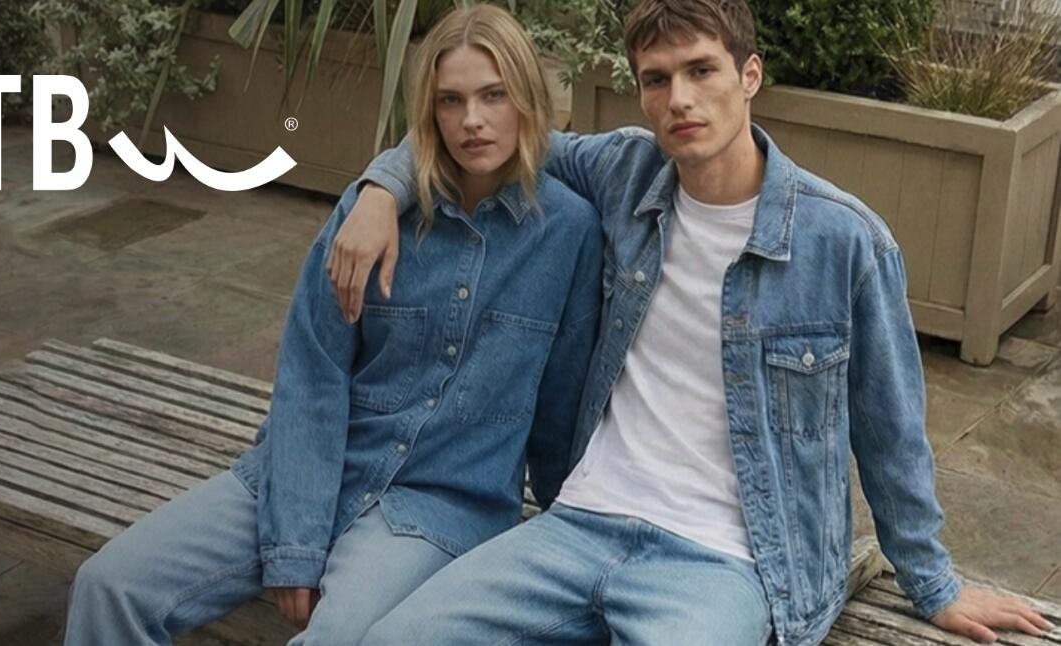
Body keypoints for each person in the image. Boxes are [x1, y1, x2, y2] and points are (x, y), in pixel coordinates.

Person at [325, 1, 1055, 644]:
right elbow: (490, 135)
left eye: (701, 71)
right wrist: (381, 189)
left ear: (749, 76)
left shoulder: (844, 241)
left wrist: (934, 584)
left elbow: (891, 431)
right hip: (580, 523)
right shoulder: (624, 173)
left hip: (724, 560)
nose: (679, 99)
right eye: (657, 79)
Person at [61, 5, 603, 644]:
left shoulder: (569, 231)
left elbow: (561, 410)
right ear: (428, 111)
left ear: (528, 100)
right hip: (312, 468)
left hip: (436, 507)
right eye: (450, 100)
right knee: (108, 585)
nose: (472, 120)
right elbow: (312, 370)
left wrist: (572, 547)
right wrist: (296, 535)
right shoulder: (373, 212)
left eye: (494, 95)